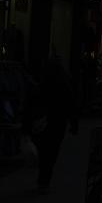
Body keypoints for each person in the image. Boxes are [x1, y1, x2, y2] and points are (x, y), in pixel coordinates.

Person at [23, 56, 78, 193]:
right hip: (58, 123)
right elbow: (71, 103)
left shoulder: (42, 83)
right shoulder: (64, 84)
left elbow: (31, 105)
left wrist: (27, 126)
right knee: (52, 152)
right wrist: (73, 123)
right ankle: (45, 179)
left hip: (45, 122)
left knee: (44, 151)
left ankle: (43, 178)